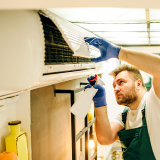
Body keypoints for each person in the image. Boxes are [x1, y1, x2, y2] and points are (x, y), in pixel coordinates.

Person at [84, 37, 160, 160]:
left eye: (121, 82)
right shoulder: (125, 115)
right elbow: (105, 138)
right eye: (114, 85)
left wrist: (118, 53)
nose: (116, 88)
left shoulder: (153, 101)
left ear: (138, 84)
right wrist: (99, 103)